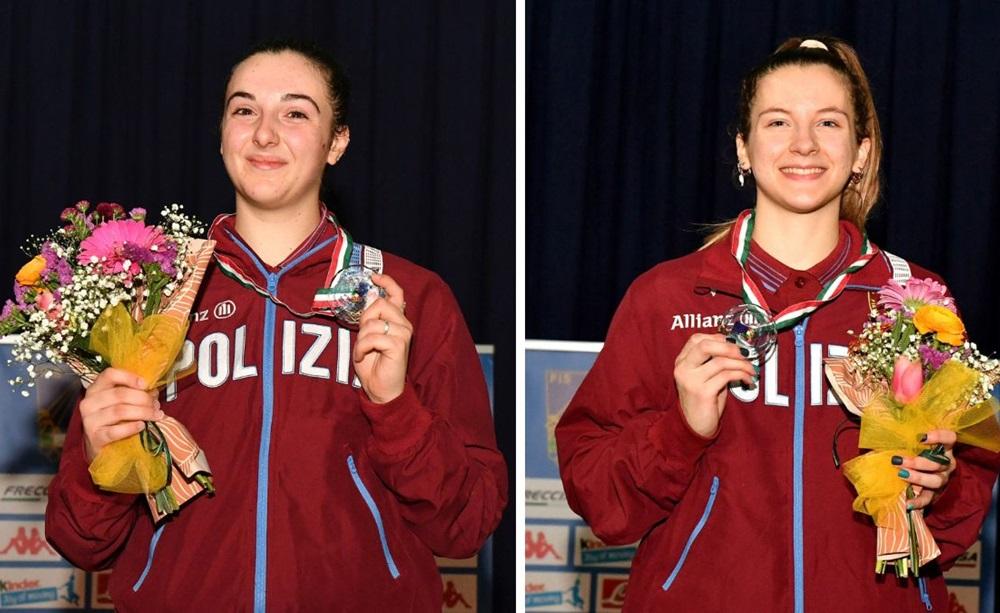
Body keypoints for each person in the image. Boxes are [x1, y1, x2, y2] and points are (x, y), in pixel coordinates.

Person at [44, 39, 507, 611]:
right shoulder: (146, 296)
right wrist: (100, 459)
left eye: (295, 112)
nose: (264, 134)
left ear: (336, 142)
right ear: (221, 133)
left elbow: (467, 525)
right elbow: (80, 541)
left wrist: (396, 409)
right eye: (244, 110)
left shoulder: (411, 298)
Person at [555, 36, 1000, 611]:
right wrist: (680, 428)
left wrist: (935, 485)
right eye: (777, 123)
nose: (804, 145)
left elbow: (967, 488)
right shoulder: (666, 297)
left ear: (862, 151)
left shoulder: (914, 301)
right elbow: (597, 496)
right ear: (742, 148)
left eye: (829, 124)